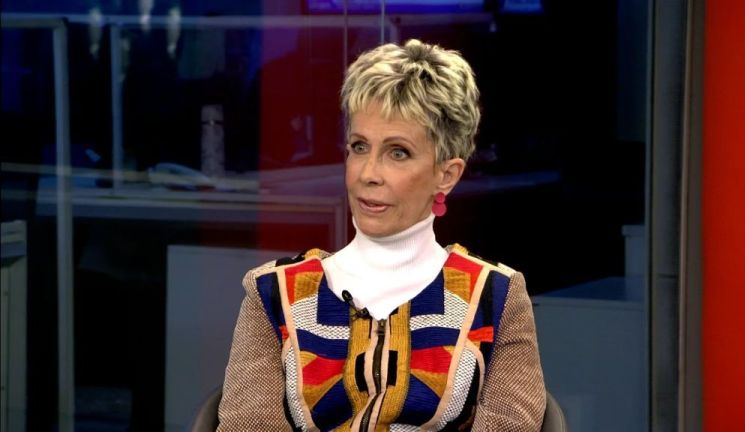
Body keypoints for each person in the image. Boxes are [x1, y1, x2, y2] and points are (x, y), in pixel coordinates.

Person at [217, 39, 546, 431]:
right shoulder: (273, 295)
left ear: (447, 175)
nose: (368, 173)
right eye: (359, 147)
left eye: (398, 152)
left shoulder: (496, 297)